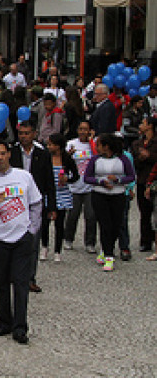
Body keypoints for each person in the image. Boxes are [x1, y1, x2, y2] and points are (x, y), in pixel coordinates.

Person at [0, 139, 43, 345]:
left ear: (9, 155)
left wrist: (31, 230)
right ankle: (5, 321)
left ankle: (20, 327)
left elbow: (36, 204)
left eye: (3, 153)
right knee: (1, 283)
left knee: (21, 283)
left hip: (22, 237)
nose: (0, 158)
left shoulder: (24, 177)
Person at [10, 123, 55, 293]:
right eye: (21, 133)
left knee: (33, 242)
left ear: (34, 134)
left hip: (35, 202)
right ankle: (14, 275)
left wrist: (52, 206)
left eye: (27, 133)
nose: (23, 136)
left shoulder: (42, 154)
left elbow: (49, 181)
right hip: (15, 201)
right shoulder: (12, 153)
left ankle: (30, 277)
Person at [84, 133, 136, 271]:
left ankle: (107, 246)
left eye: (99, 145)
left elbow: (131, 176)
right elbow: (87, 177)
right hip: (100, 194)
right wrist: (100, 181)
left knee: (116, 224)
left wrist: (118, 180)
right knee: (105, 224)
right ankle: (109, 256)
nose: (97, 147)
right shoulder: (95, 159)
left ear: (107, 146)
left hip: (118, 194)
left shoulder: (123, 159)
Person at [41, 134, 78, 262]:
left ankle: (57, 250)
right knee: (44, 223)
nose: (49, 146)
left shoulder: (67, 159)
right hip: (48, 194)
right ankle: (44, 247)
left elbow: (76, 176)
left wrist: (67, 179)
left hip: (62, 194)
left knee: (59, 223)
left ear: (58, 146)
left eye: (51, 144)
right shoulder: (45, 157)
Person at [64, 120, 97, 254]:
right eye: (81, 129)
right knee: (73, 215)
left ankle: (90, 242)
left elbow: (98, 157)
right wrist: (68, 155)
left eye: (86, 129)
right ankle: (68, 239)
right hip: (75, 186)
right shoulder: (71, 143)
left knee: (91, 216)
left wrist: (92, 141)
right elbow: (63, 161)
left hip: (90, 186)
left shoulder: (93, 144)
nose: (83, 132)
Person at [131, 116, 157, 253]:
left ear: (150, 126)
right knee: (144, 212)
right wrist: (141, 157)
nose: (141, 125)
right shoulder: (137, 143)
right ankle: (146, 241)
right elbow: (134, 160)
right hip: (142, 179)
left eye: (143, 123)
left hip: (155, 180)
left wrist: (149, 156)